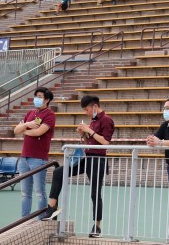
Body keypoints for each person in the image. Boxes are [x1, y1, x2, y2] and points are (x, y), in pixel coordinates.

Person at [43, 96, 114, 239]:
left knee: (95, 193)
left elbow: (106, 142)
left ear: (94, 106)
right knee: (58, 172)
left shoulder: (107, 120)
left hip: (97, 160)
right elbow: (90, 142)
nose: (86, 113)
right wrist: (84, 134)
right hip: (85, 157)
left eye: (87, 109)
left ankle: (97, 226)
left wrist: (89, 131)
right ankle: (52, 207)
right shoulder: (93, 121)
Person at [14, 87, 56, 218]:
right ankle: (24, 219)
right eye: (36, 96)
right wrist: (28, 124)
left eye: (40, 97)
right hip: (24, 158)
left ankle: (41, 219)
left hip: (38, 158)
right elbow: (16, 130)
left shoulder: (49, 115)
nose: (36, 99)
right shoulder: (30, 113)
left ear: (47, 100)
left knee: (39, 192)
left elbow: (38, 132)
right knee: (25, 193)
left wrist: (24, 129)